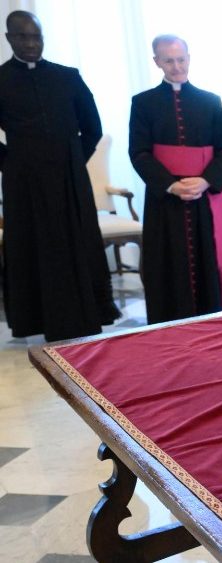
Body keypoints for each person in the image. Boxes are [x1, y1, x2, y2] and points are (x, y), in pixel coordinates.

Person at [0, 10, 120, 341]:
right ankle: (35, 319)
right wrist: (9, 163)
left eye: (35, 36)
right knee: (32, 246)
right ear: (9, 39)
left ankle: (88, 313)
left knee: (76, 243)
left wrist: (72, 160)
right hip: (23, 182)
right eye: (22, 37)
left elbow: (92, 127)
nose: (30, 43)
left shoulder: (68, 77)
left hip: (69, 177)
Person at [129, 34, 222, 324]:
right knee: (168, 263)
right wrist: (171, 185)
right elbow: (139, 153)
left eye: (181, 59)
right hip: (165, 199)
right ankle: (169, 326)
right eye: (169, 61)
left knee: (206, 262)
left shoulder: (211, 102)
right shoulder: (143, 103)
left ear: (189, 58)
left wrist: (204, 181)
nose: (177, 66)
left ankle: (210, 323)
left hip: (204, 197)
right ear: (157, 62)